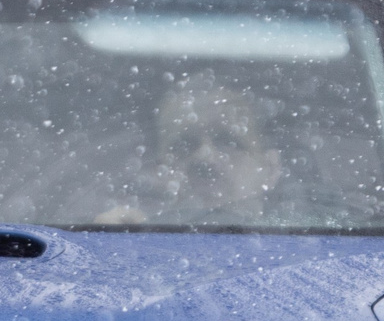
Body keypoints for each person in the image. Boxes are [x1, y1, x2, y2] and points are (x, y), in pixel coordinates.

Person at [94, 75, 286, 227]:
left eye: (228, 141)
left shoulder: (299, 241)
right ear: (159, 169)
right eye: (183, 145)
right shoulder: (133, 240)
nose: (204, 156)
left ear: (270, 168)